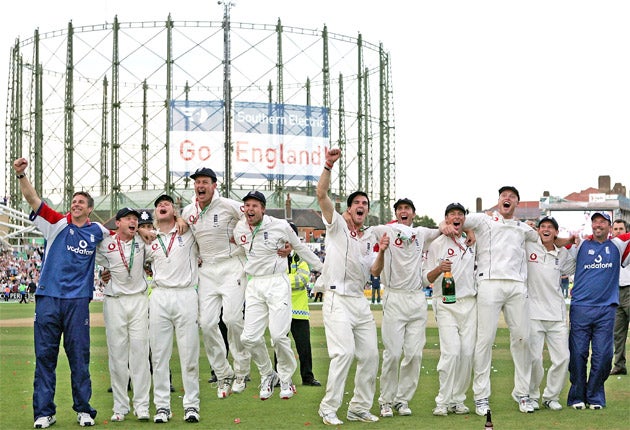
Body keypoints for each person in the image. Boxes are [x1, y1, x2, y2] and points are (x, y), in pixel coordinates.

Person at [14, 157, 109, 428]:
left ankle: (83, 410)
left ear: (89, 209)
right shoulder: (56, 223)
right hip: (48, 298)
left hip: (78, 301)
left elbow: (121, 237)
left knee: (80, 357)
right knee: (45, 356)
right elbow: (33, 199)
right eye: (74, 200)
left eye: (81, 202)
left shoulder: (97, 231)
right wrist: (21, 175)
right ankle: (44, 412)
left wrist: (148, 233)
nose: (75, 204)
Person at [233, 190, 323, 401]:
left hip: (277, 282)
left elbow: (300, 247)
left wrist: (322, 268)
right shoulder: (239, 229)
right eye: (247, 205)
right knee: (248, 337)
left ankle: (285, 379)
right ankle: (267, 374)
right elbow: (238, 251)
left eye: (255, 205)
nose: (250, 209)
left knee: (277, 336)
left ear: (263, 209)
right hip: (255, 285)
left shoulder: (280, 226)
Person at [458, 186, 541, 415]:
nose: (507, 199)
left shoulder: (523, 228)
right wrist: (468, 230)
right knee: (485, 340)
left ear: (516, 204)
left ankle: (523, 394)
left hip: (516, 285)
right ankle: (481, 397)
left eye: (512, 197)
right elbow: (459, 219)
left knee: (522, 338)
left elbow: (544, 237)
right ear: (498, 201)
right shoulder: (484, 220)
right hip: (489, 283)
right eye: (504, 196)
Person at [315, 148, 381, 425]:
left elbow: (374, 271)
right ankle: (328, 407)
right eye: (357, 202)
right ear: (348, 209)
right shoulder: (336, 226)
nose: (362, 206)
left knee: (370, 356)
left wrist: (384, 252)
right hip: (336, 298)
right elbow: (321, 195)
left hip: (359, 301)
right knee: (344, 353)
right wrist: (328, 166)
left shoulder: (368, 238)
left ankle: (358, 407)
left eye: (365, 203)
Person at [180, 167, 252, 397]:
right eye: (197, 182)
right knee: (207, 323)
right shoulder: (189, 211)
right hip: (207, 270)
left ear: (214, 185)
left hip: (232, 265)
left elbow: (253, 219)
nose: (200, 186)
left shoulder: (228, 205)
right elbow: (181, 232)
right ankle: (223, 374)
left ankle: (241, 370)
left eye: (204, 182)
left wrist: (241, 235)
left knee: (231, 318)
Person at [370, 197, 443, 418]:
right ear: (396, 213)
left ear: (413, 213)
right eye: (400, 209)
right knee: (392, 354)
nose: (403, 211)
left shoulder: (421, 233)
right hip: (394, 297)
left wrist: (468, 231)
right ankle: (385, 401)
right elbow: (360, 228)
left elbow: (444, 229)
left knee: (414, 354)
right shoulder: (385, 230)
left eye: (407, 209)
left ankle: (402, 400)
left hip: (417, 299)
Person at [145, 194, 201, 423]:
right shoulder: (150, 239)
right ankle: (162, 406)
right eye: (158, 205)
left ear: (176, 210)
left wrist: (184, 220)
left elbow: (198, 210)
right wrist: (141, 230)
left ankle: (191, 405)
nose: (162, 206)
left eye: (167, 204)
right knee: (159, 356)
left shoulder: (189, 234)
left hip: (186, 295)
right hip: (159, 296)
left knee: (189, 354)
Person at [567, 212, 630, 410]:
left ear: (610, 227)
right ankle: (577, 396)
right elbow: (558, 243)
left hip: (606, 309)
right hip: (581, 308)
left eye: (602, 222)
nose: (598, 225)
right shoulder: (581, 245)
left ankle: (594, 396)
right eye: (595, 222)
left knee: (603, 356)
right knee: (578, 354)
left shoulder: (618, 246)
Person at [96, 207, 152, 422]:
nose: (133, 222)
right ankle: (120, 406)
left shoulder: (143, 241)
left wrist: (144, 232)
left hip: (138, 300)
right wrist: (103, 274)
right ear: (117, 223)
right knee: (117, 356)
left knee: (139, 354)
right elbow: (97, 263)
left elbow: (159, 241)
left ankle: (142, 405)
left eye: (135, 219)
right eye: (129, 218)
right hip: (115, 302)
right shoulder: (105, 244)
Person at [423, 202, 477, 417]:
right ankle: (442, 401)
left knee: (467, 353)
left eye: (460, 214)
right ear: (446, 219)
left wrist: (470, 230)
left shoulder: (472, 240)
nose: (457, 217)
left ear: (465, 219)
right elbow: (426, 277)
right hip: (445, 302)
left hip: (469, 302)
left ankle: (458, 400)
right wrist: (439, 269)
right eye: (452, 214)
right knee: (451, 351)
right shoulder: (437, 243)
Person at [521, 216, 575, 411]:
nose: (545, 230)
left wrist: (571, 242)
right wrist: (526, 226)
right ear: (538, 230)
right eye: (542, 226)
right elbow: (516, 232)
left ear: (555, 232)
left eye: (550, 227)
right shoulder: (529, 246)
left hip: (557, 314)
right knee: (534, 359)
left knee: (563, 358)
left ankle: (551, 396)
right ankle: (532, 395)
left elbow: (574, 264)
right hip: (533, 313)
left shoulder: (562, 255)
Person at [277, 222, 322, 387]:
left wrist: (280, 282)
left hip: (298, 310)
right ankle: (278, 377)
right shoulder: (274, 255)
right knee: (279, 344)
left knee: (304, 347)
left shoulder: (300, 256)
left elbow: (303, 279)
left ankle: (308, 377)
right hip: (280, 307)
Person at [611, 219, 630, 376]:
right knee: (618, 333)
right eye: (615, 229)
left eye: (621, 228)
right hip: (616, 292)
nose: (618, 231)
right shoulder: (610, 249)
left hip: (629, 289)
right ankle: (619, 364)